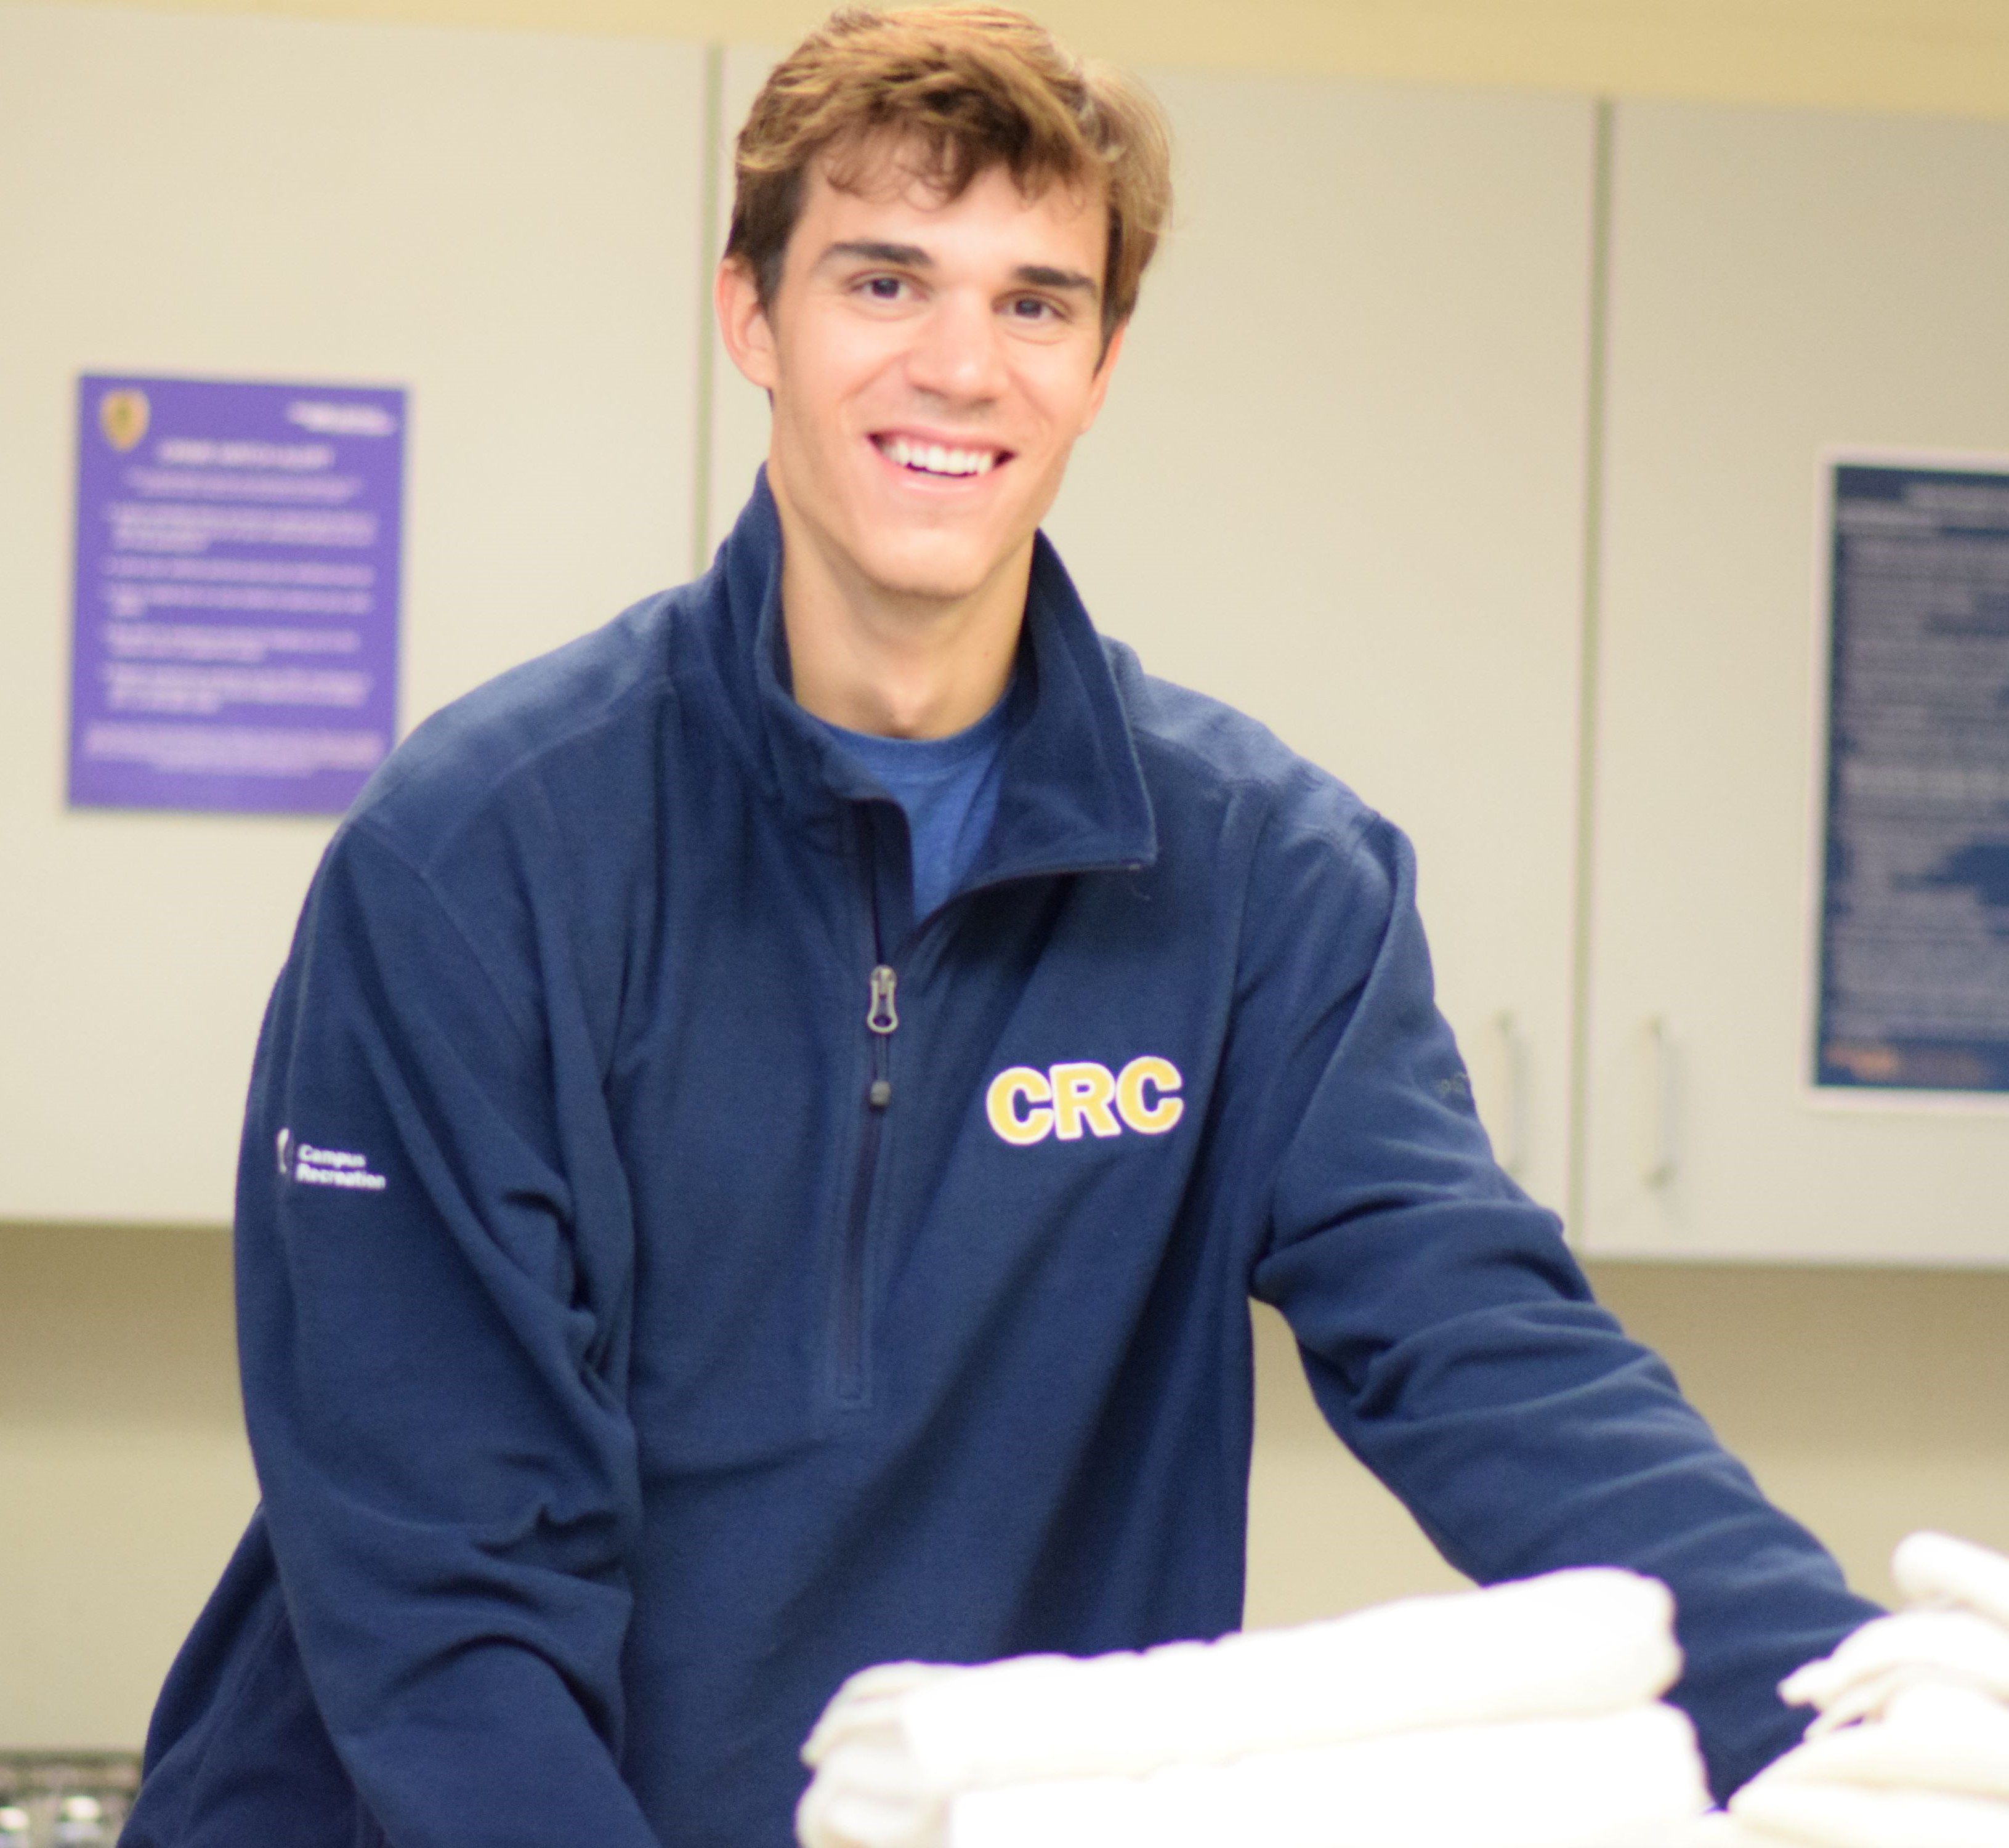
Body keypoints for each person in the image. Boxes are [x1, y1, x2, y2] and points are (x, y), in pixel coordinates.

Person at [121, 8, 1879, 1846]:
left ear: (1104, 362)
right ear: (751, 316)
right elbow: (449, 1592)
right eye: (885, 281)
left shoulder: (1261, 879)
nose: (962, 366)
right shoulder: (482, 858)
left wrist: (1871, 1727)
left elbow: (1489, 1358)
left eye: (1037, 303)